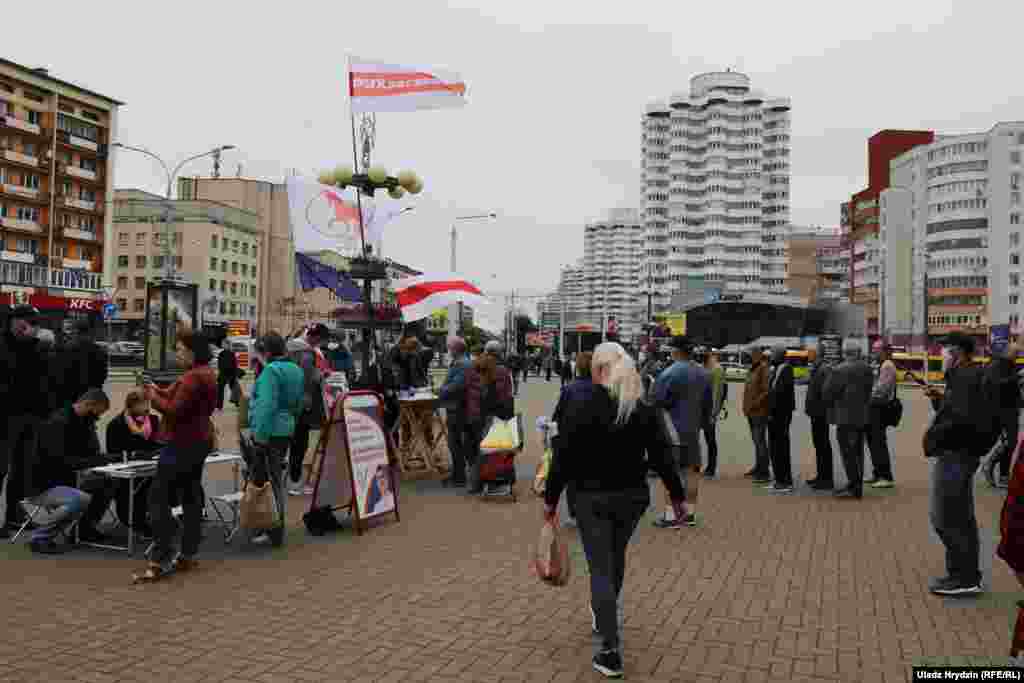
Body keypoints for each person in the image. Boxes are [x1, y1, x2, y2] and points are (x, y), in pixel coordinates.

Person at [543, 342, 686, 679]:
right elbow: (663, 455)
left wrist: (550, 500)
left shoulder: (580, 404)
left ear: (597, 370)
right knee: (614, 555)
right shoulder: (642, 405)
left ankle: (609, 648)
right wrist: (677, 496)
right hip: (631, 497)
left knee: (600, 567)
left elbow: (563, 457)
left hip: (590, 497)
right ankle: (603, 613)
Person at [923, 334, 1017, 596]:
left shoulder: (964, 377)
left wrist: (933, 438)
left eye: (944, 350)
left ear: (957, 353)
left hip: (956, 454)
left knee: (946, 517)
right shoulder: (966, 376)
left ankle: (963, 577)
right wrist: (939, 400)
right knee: (958, 516)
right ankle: (964, 575)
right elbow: (960, 412)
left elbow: (961, 420)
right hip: (962, 453)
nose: (941, 355)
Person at [137, 329, 217, 580]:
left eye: (181, 349)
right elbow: (176, 396)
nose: (177, 354)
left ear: (193, 352)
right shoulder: (206, 373)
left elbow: (173, 409)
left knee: (158, 498)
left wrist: (152, 396)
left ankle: (161, 555)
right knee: (191, 495)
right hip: (199, 440)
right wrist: (156, 389)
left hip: (181, 442)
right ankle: (188, 553)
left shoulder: (192, 378)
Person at [22, 389, 115, 553]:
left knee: (107, 483)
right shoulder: (57, 423)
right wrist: (97, 461)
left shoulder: (83, 422)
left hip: (67, 479)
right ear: (88, 404)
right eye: (96, 413)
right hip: (42, 486)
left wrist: (101, 459)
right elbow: (62, 462)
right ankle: (39, 538)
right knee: (80, 499)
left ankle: (83, 530)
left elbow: (91, 453)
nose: (97, 418)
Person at [0, 304, 55, 538]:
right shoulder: (3, 345)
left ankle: (14, 516)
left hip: (31, 416)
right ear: (14, 321)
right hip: (5, 417)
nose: (31, 328)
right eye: (28, 322)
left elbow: (46, 379)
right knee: (1, 468)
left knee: (23, 470)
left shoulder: (37, 347)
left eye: (35, 324)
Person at [249, 332, 305, 544]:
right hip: (286, 428)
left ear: (266, 352)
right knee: (276, 479)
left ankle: (273, 528)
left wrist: (260, 436)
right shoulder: (295, 369)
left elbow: (266, 406)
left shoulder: (271, 371)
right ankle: (273, 527)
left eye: (258, 353)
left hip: (269, 432)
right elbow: (299, 404)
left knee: (269, 482)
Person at [652, 336, 712, 528]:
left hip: (671, 431)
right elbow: (707, 405)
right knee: (692, 472)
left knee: (672, 473)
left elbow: (656, 401)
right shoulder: (704, 373)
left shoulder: (669, 373)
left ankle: (672, 516)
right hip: (693, 431)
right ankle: (689, 514)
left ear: (676, 351)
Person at [106, 391, 163, 536]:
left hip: (151, 465)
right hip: (128, 469)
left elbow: (159, 442)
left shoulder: (153, 420)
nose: (147, 407)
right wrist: (139, 454)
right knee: (139, 487)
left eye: (148, 403)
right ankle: (138, 522)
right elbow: (114, 452)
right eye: (143, 404)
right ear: (132, 405)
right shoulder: (117, 424)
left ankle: (165, 517)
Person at [462, 341, 515, 495]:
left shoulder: (473, 367)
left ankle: (475, 482)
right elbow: (505, 397)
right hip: (491, 415)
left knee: (474, 449)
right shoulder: (502, 371)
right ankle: (489, 480)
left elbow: (466, 391)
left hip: (474, 414)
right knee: (490, 450)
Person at [823, 339, 873, 499]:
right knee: (858, 453)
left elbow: (827, 393)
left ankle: (853, 486)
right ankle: (856, 485)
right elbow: (869, 390)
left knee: (848, 453)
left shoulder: (839, 370)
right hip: (862, 416)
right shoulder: (867, 368)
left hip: (845, 418)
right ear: (858, 353)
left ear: (845, 353)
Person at [286, 324, 328, 496]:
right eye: (321, 340)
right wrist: (320, 376)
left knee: (290, 442)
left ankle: (290, 479)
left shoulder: (290, 347)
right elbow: (308, 378)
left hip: (287, 401)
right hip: (301, 404)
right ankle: (295, 482)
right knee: (300, 443)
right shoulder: (306, 353)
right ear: (316, 337)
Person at [439, 336, 473, 487]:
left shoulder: (462, 364)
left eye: (449, 348)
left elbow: (456, 386)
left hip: (458, 408)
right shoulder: (463, 362)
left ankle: (459, 477)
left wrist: (440, 391)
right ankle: (458, 473)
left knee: (455, 443)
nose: (448, 351)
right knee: (457, 443)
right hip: (458, 407)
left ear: (455, 349)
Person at [56, 318, 108, 411]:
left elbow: (60, 373)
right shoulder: (99, 351)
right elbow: (103, 374)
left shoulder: (65, 349)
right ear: (89, 332)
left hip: (69, 395)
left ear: (76, 331)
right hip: (91, 395)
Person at [765, 345, 796, 493]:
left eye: (772, 354)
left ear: (779, 355)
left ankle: (784, 481)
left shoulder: (785, 369)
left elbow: (780, 393)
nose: (770, 356)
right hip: (775, 415)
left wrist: (772, 410)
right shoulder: (777, 369)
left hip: (780, 415)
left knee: (780, 448)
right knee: (775, 447)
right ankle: (778, 479)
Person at [866, 343, 897, 489]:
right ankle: (877, 474)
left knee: (878, 443)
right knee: (873, 442)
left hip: (880, 408)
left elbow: (881, 389)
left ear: (883, 351)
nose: (873, 353)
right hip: (875, 407)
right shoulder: (880, 364)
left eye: (876, 350)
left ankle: (885, 476)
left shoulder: (887, 366)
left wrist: (866, 393)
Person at [804, 346, 834, 490]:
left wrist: (821, 407)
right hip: (816, 413)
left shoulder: (824, 369)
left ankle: (826, 479)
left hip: (820, 414)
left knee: (823, 446)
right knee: (819, 445)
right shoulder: (816, 368)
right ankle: (821, 476)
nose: (808, 355)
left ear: (817, 354)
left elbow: (826, 392)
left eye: (810, 353)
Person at [741, 345, 772, 483]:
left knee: (760, 441)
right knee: (756, 440)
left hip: (759, 412)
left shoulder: (763, 368)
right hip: (751, 412)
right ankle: (758, 466)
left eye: (750, 355)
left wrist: (754, 403)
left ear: (757, 355)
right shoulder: (753, 368)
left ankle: (764, 472)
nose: (748, 357)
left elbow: (766, 391)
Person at [703, 349, 726, 479]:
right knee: (704, 439)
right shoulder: (705, 366)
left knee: (710, 439)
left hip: (709, 410)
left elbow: (717, 392)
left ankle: (711, 468)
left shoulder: (717, 368)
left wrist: (714, 412)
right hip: (701, 409)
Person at [216, 341, 239, 411]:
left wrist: (235, 374)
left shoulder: (231, 354)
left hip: (230, 373)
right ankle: (219, 405)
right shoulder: (222, 353)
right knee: (221, 389)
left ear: (228, 345)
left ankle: (238, 403)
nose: (223, 345)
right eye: (223, 344)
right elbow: (219, 364)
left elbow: (234, 364)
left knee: (233, 388)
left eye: (224, 344)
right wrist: (220, 371)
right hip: (224, 373)